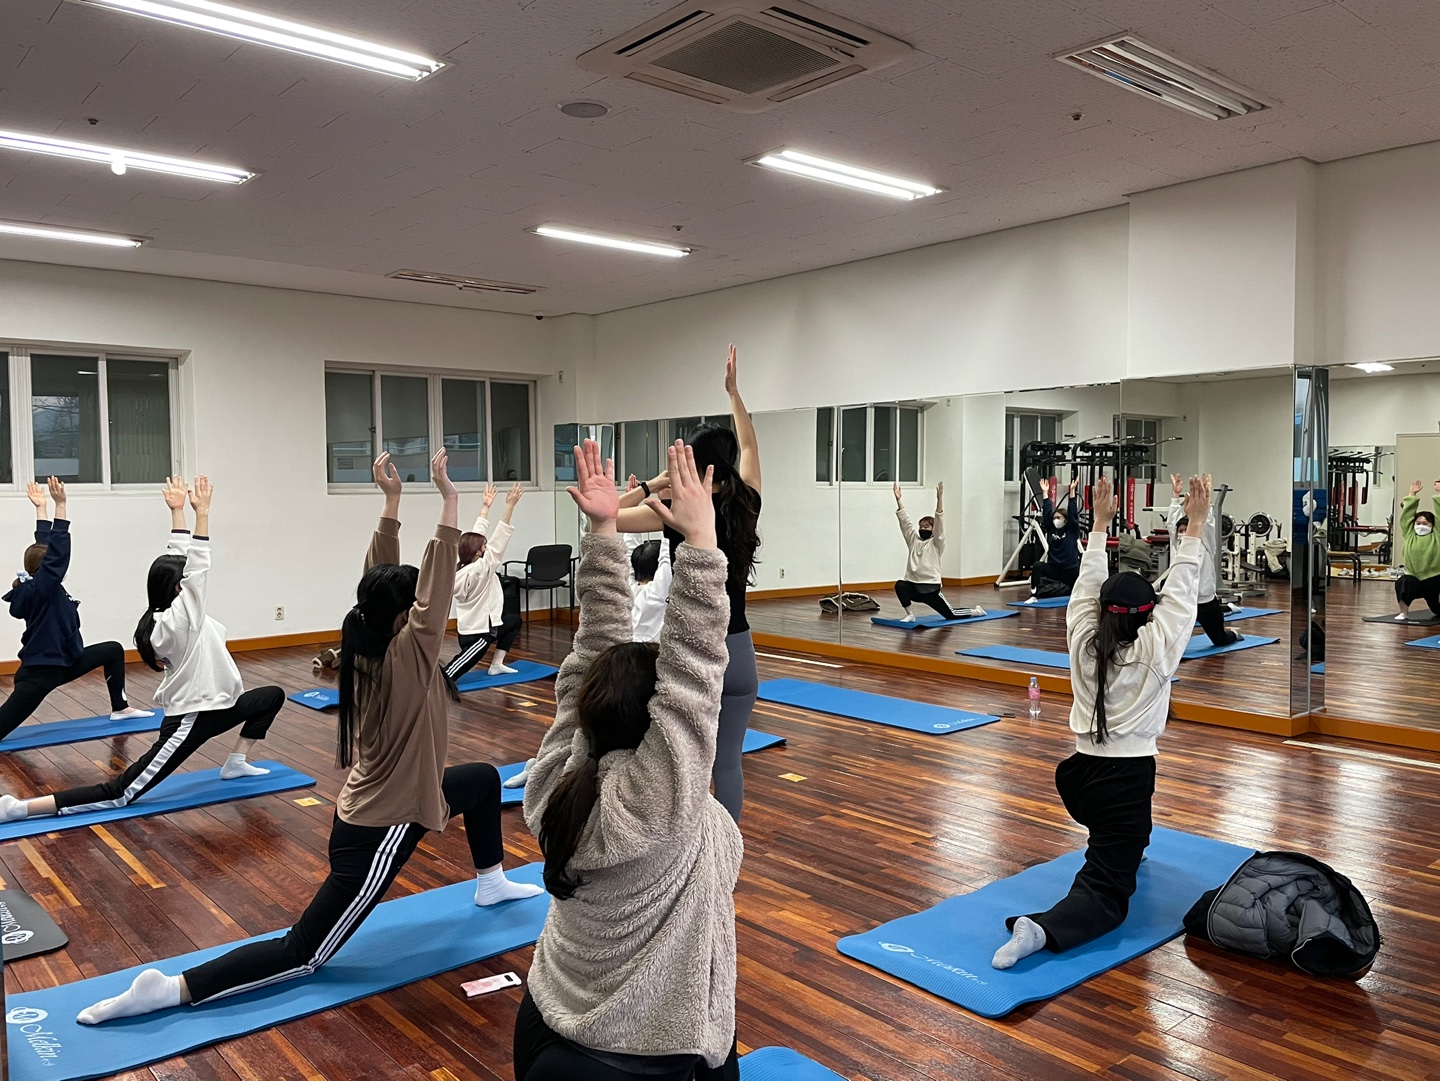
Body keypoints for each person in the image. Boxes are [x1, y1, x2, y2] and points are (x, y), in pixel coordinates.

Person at [71, 451, 541, 1025]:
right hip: (382, 826)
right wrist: (448, 500)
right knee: (304, 953)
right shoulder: (408, 660)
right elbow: (435, 590)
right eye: (416, 606)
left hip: (402, 796)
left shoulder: (368, 639)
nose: (425, 607)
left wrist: (392, 502)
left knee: (483, 781)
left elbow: (381, 579)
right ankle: (171, 989)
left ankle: (491, 883)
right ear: (407, 620)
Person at [516, 437, 741, 1081]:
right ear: (655, 726)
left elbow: (595, 650)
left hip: (547, 1018)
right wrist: (702, 543)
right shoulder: (657, 801)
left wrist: (603, 531)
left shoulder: (557, 777)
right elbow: (695, 670)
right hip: (638, 1053)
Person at [992, 473, 1208, 970]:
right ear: (1147, 614)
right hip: (1121, 783)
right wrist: (1195, 524)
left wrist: (1099, 527)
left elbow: (1087, 584)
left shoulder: (1083, 639)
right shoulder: (1155, 650)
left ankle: (1125, 843)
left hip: (1079, 776)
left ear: (1102, 610)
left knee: (1129, 832)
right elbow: (1182, 593)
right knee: (1109, 893)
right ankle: (1039, 931)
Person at [0, 475, 278, 824]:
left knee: (271, 696)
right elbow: (197, 567)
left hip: (218, 706)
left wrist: (178, 512)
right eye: (184, 581)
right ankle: (18, 808)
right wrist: (203, 515)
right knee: (121, 793)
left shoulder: (174, 610)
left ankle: (235, 762)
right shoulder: (180, 620)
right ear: (178, 589)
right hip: (190, 718)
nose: (190, 582)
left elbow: (179, 558)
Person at [615, 344, 761, 823]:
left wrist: (653, 484)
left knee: (680, 760)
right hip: (739, 649)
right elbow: (750, 447)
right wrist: (734, 394)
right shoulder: (747, 502)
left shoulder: (677, 513)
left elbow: (606, 513)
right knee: (728, 763)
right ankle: (727, 851)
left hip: (694, 651)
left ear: (695, 466)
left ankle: (679, 846)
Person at [0, 477, 154, 742]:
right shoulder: (43, 588)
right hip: (41, 673)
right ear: (47, 568)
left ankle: (120, 708)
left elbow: (44, 547)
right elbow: (57, 552)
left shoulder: (39, 583)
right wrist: (61, 505)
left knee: (112, 650)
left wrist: (41, 509)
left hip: (65, 661)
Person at [443, 481, 525, 685]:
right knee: (450, 674)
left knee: (514, 621)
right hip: (480, 633)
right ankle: (438, 684)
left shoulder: (464, 567)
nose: (487, 548)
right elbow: (499, 539)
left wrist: (485, 508)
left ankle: (496, 665)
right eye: (484, 547)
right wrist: (510, 506)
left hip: (472, 627)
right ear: (478, 552)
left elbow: (476, 536)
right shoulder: (481, 569)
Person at [1168, 472, 1240, 647]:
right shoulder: (1177, 544)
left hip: (1205, 600)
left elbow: (1207, 522)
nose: (1183, 533)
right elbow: (1171, 523)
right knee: (1170, 644)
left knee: (1220, 640)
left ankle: (1233, 627)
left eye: (1186, 529)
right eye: (1180, 530)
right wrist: (1175, 496)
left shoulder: (1205, 542)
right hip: (1183, 600)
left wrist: (1206, 498)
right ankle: (1226, 608)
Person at [892, 482, 977, 622]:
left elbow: (939, 521)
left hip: (930, 589)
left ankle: (976, 611)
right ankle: (910, 615)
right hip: (914, 586)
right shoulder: (913, 541)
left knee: (951, 615)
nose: (922, 529)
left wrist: (939, 499)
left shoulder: (936, 543)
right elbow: (905, 522)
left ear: (933, 529)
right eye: (921, 527)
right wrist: (899, 500)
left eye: (926, 527)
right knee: (900, 585)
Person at [1395, 479, 1440, 620]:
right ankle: (1403, 612)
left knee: (1437, 609)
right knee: (1402, 582)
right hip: (1414, 578)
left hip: (1434, 578)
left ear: (1432, 525)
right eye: (1418, 523)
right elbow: (1407, 515)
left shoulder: (1437, 535)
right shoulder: (1409, 534)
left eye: (1425, 523)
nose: (1421, 526)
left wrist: (1439, 493)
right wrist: (1412, 494)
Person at [1031, 478, 1084, 597]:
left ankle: (1071, 590)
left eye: (1059, 518)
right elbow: (1047, 513)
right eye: (1054, 518)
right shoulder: (1051, 529)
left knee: (1074, 586)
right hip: (1055, 569)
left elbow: (1073, 513)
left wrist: (1072, 492)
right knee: (1037, 566)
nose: (1056, 520)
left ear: (1066, 520)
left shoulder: (1071, 530)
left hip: (1070, 570)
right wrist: (1045, 493)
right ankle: (1034, 592)